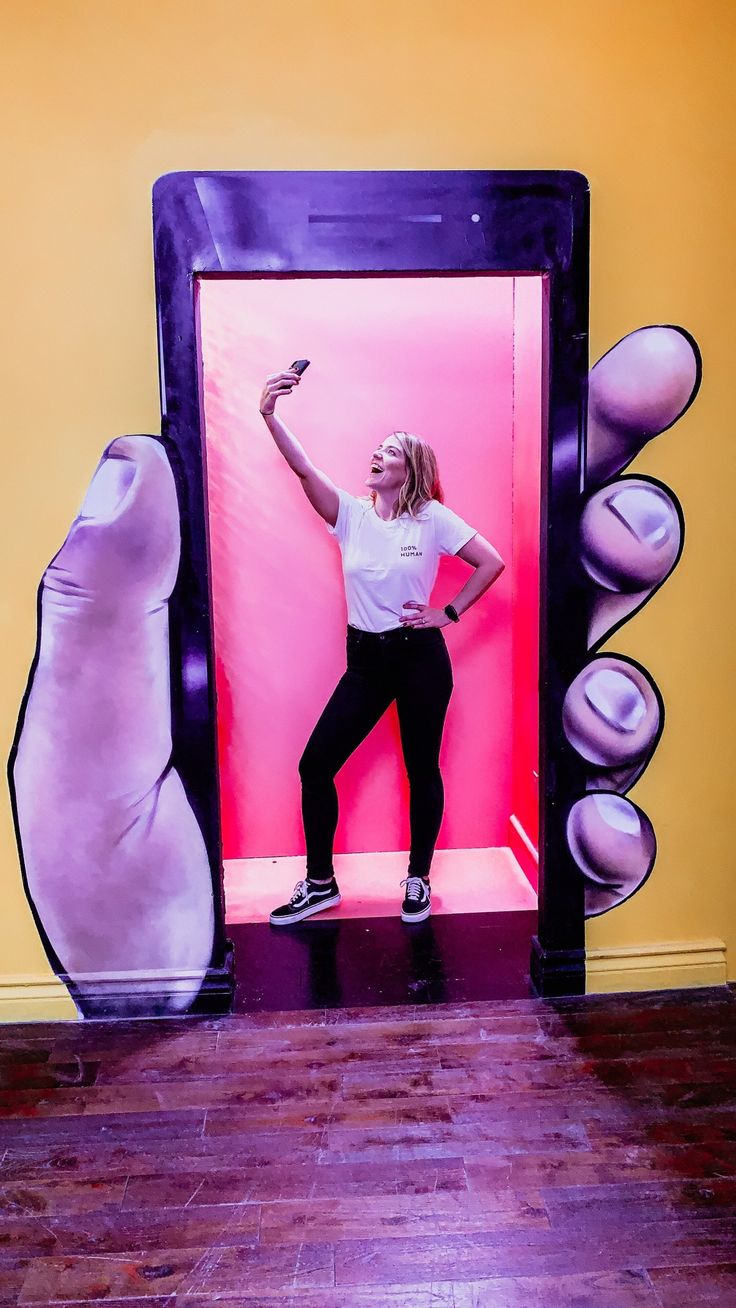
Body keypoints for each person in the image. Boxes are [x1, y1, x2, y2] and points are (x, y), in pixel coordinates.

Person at [260, 367, 505, 927]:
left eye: (389, 451)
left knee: (423, 770)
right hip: (366, 662)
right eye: (377, 449)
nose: (376, 454)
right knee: (315, 764)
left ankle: (418, 878)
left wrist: (448, 613)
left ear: (410, 469)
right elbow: (303, 468)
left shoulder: (432, 519)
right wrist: (270, 413)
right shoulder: (350, 516)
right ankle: (320, 885)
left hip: (419, 661)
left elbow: (491, 562)